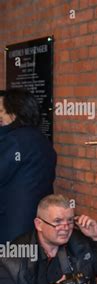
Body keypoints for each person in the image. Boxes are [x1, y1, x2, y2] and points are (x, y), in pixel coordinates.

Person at [0, 88, 57, 243]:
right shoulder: (40, 139)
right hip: (35, 225)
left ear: (15, 113)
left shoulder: (14, 140)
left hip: (11, 227)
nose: (0, 117)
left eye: (2, 111)